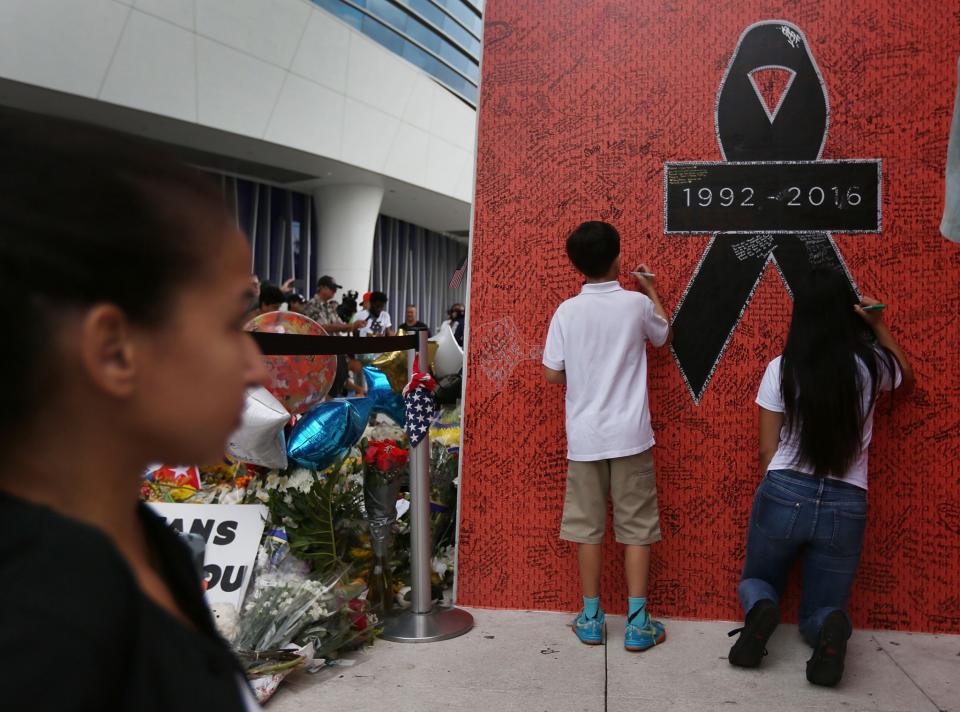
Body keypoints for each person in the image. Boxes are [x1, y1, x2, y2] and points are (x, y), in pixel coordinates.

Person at [0, 115, 267, 709]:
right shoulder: (43, 636)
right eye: (231, 323)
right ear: (114, 350)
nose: (259, 370)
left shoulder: (146, 545)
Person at [728, 266, 914, 687]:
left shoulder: (782, 367)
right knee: (823, 606)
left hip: (785, 488)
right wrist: (879, 326)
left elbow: (766, 448)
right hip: (846, 500)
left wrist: (774, 492)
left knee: (758, 579)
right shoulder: (870, 366)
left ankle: (760, 613)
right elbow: (906, 376)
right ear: (847, 311)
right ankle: (830, 631)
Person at [542, 221, 672, 652]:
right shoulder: (636, 304)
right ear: (618, 257)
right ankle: (637, 624)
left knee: (587, 529)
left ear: (575, 264)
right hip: (631, 435)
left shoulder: (566, 311)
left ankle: (592, 618)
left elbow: (551, 372)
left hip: (585, 438)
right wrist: (651, 289)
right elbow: (663, 336)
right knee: (637, 529)